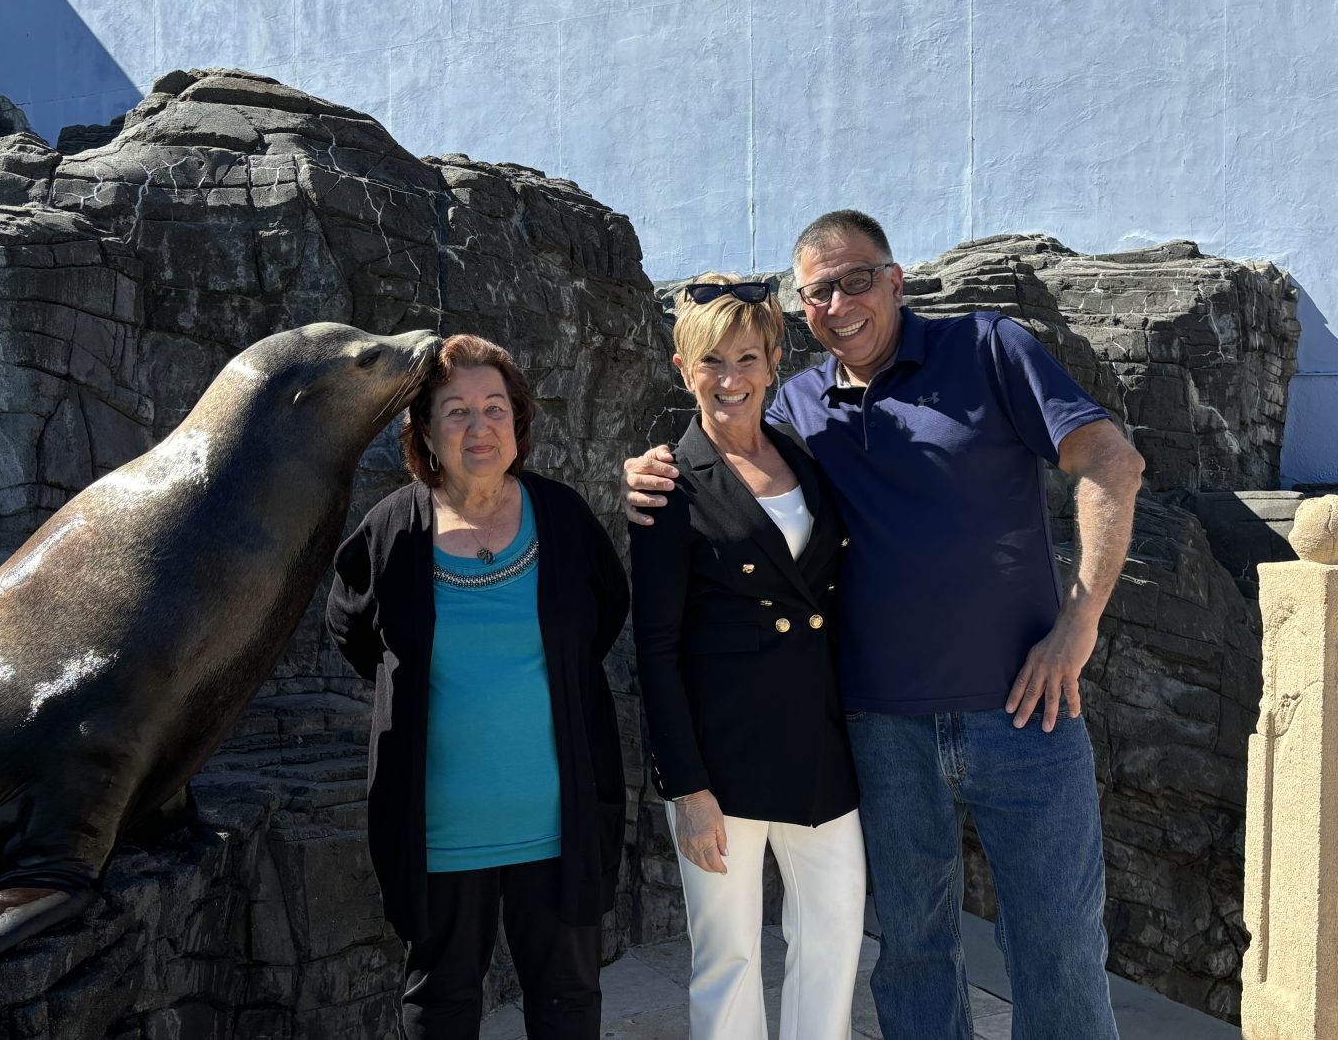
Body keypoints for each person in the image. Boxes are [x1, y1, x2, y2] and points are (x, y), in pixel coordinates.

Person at [625, 211, 1146, 1040]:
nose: (839, 302)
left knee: (1059, 949)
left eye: (856, 278)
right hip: (880, 728)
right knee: (912, 951)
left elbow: (1112, 461)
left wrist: (1079, 623)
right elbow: (729, 455)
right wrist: (653, 465)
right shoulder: (795, 406)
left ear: (895, 279)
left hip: (1026, 713)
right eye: (818, 290)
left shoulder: (987, 348)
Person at [327, 334, 630, 1040]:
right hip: (441, 831)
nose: (479, 425)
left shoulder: (564, 520)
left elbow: (600, 617)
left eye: (495, 407)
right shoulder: (390, 533)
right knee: (440, 1007)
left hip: (557, 827)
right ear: (425, 430)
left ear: (517, 421)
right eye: (456, 410)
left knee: (567, 1004)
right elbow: (355, 633)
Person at [628, 274, 866, 1040]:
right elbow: (656, 649)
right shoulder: (667, 481)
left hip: (818, 744)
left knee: (832, 940)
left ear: (773, 362)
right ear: (682, 367)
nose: (729, 380)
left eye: (746, 359)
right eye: (710, 363)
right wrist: (684, 786)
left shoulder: (807, 455)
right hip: (720, 763)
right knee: (727, 956)